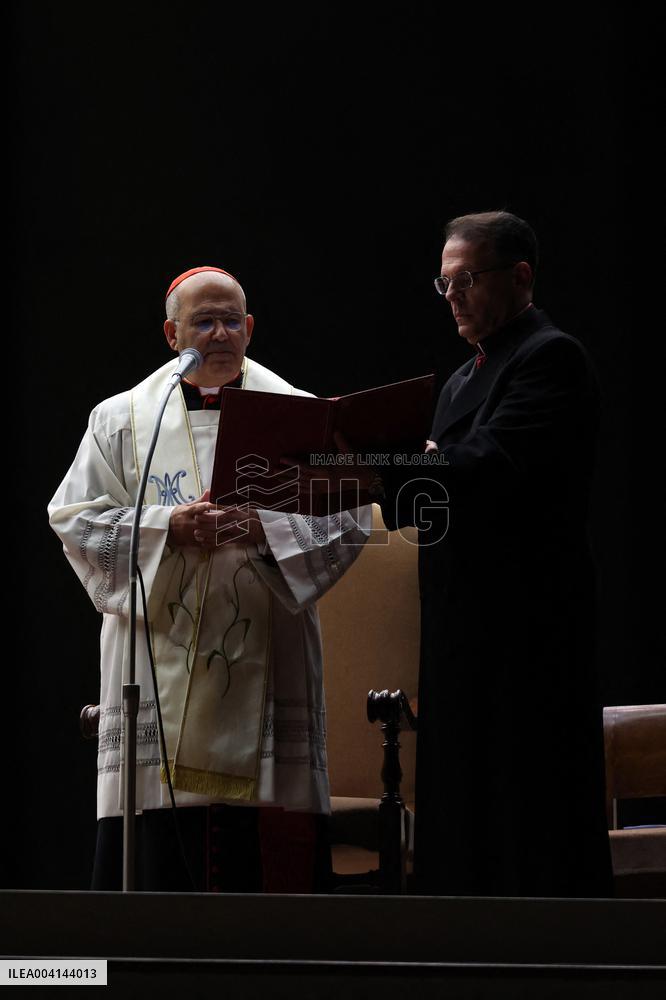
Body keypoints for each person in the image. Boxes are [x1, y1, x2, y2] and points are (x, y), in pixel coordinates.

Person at [48, 266, 371, 893]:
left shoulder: (303, 413)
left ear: (249, 328)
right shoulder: (122, 420)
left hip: (270, 649)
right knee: (158, 867)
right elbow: (74, 519)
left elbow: (350, 512)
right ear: (173, 335)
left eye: (230, 321)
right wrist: (168, 527)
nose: (220, 333)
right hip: (157, 660)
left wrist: (265, 528)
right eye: (203, 321)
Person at [332, 212, 613, 896]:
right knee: (463, 810)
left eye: (467, 280)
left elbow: (491, 467)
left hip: (527, 628)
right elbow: (440, 493)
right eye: (445, 283)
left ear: (520, 276)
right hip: (460, 626)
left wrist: (396, 467)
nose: (453, 296)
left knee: (527, 813)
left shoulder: (550, 357)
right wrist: (401, 469)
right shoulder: (462, 381)